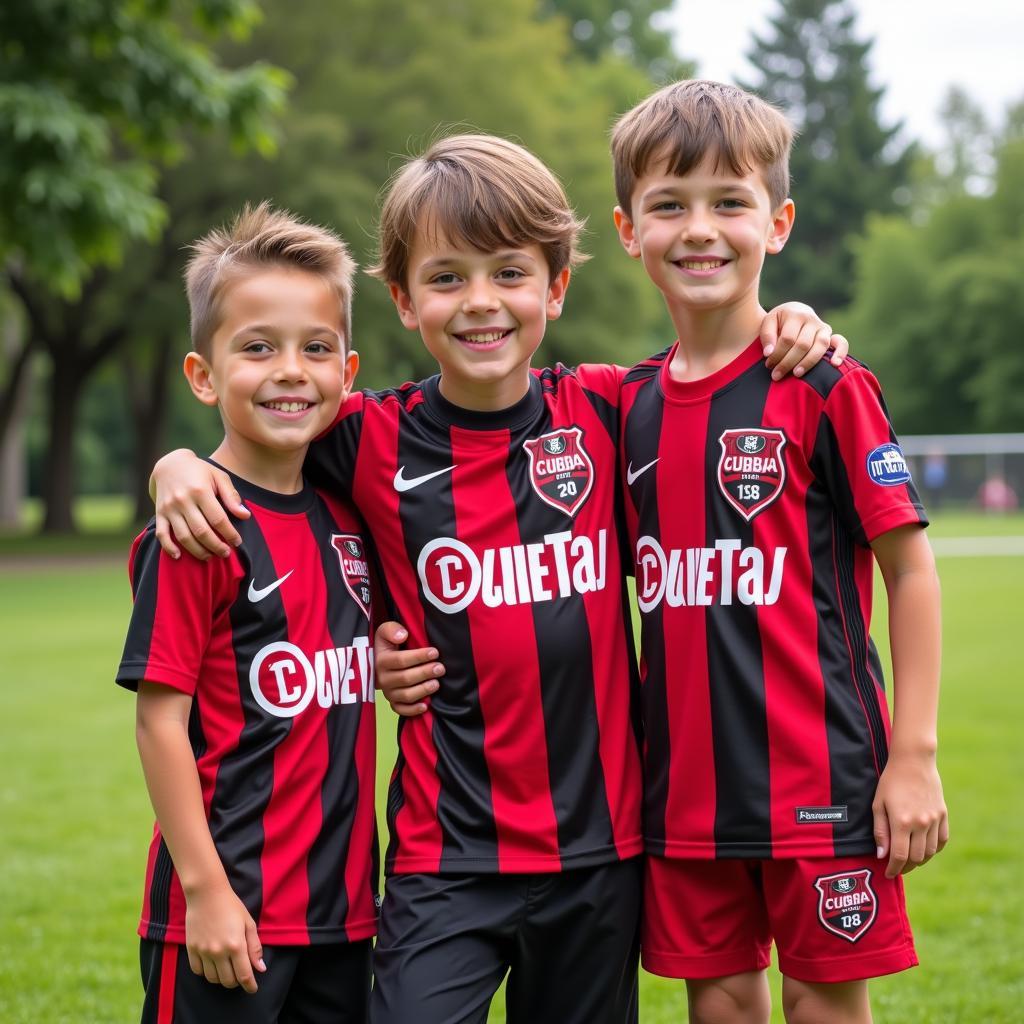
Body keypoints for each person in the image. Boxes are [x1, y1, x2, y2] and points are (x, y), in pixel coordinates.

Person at [147, 134, 843, 1023]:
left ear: (555, 287)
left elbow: (720, 375)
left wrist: (792, 319)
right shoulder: (363, 439)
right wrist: (177, 464)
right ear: (402, 299)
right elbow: (260, 430)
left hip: (600, 853)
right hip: (447, 857)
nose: (481, 303)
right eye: (446, 279)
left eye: (510, 273)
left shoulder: (609, 406)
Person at [611, 80, 948, 1023]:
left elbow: (910, 568)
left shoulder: (824, 384)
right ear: (629, 229)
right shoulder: (618, 407)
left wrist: (913, 756)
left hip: (825, 775)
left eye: (730, 202)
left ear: (779, 220)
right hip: (680, 790)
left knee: (824, 1005)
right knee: (718, 1003)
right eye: (668, 205)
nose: (700, 228)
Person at [116, 203, 377, 1024]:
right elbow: (161, 725)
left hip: (344, 915)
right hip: (227, 913)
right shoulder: (199, 530)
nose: (290, 370)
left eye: (316, 348)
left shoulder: (350, 516)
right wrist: (206, 894)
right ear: (203, 374)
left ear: (348, 368)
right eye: (258, 347)